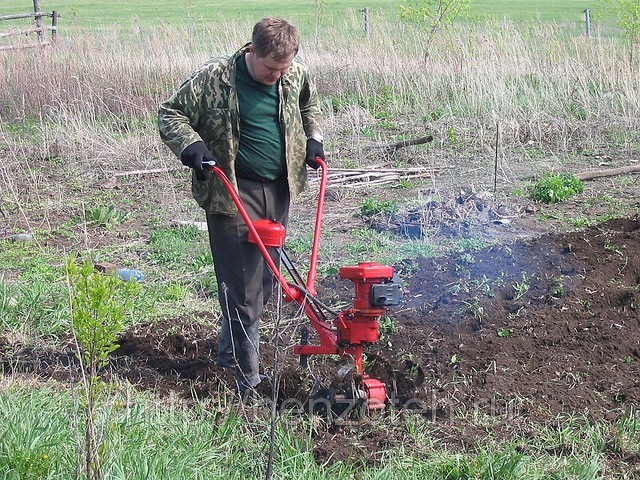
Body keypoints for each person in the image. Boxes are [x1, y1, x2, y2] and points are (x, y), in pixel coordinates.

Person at [158, 17, 325, 401]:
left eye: (283, 68)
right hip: (231, 189)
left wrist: (313, 138)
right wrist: (191, 147)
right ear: (253, 52)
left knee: (267, 282)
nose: (276, 75)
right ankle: (248, 382)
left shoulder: (294, 74)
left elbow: (308, 104)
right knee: (242, 288)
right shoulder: (216, 77)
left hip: (279, 188)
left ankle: (229, 354)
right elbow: (170, 113)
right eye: (270, 68)